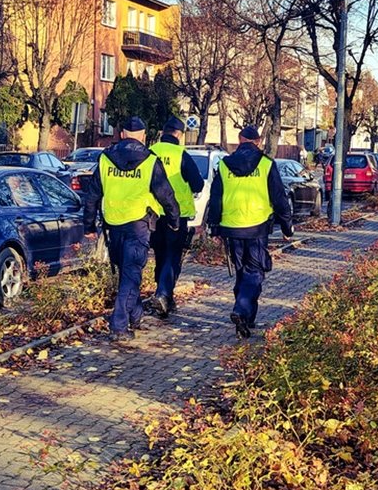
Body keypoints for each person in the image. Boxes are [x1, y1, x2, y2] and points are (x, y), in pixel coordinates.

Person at [83, 116, 180, 342]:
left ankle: (135, 315)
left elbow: (92, 195)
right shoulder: (149, 160)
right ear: (143, 136)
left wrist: (88, 224)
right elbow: (166, 194)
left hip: (114, 225)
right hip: (138, 225)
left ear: (123, 134)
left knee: (127, 272)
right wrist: (174, 220)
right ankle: (118, 325)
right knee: (130, 275)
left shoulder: (105, 159)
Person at [205, 126, 293, 339]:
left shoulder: (224, 165)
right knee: (254, 273)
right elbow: (279, 197)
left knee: (242, 273)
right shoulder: (266, 164)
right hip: (257, 227)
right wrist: (286, 225)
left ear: (240, 139)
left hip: (231, 228)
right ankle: (241, 309)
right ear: (258, 141)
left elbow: (216, 197)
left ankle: (247, 318)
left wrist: (213, 226)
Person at [148, 116, 205, 319]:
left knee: (160, 254)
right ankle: (162, 294)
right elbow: (198, 184)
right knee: (173, 256)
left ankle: (166, 299)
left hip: (152, 215)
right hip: (176, 215)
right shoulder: (181, 154)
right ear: (179, 134)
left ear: (162, 132)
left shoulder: (150, 152)